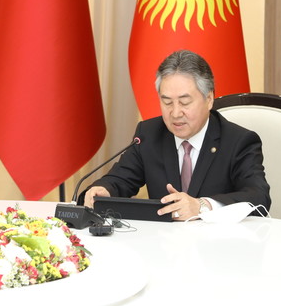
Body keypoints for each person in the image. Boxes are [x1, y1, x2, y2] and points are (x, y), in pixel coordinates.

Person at [84, 50, 270, 221]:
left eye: (185, 102)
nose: (175, 113)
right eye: (167, 102)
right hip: (162, 243)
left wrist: (202, 206)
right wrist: (104, 190)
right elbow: (119, 180)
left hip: (218, 243)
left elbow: (259, 197)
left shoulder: (238, 141)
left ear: (209, 99)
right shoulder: (149, 134)